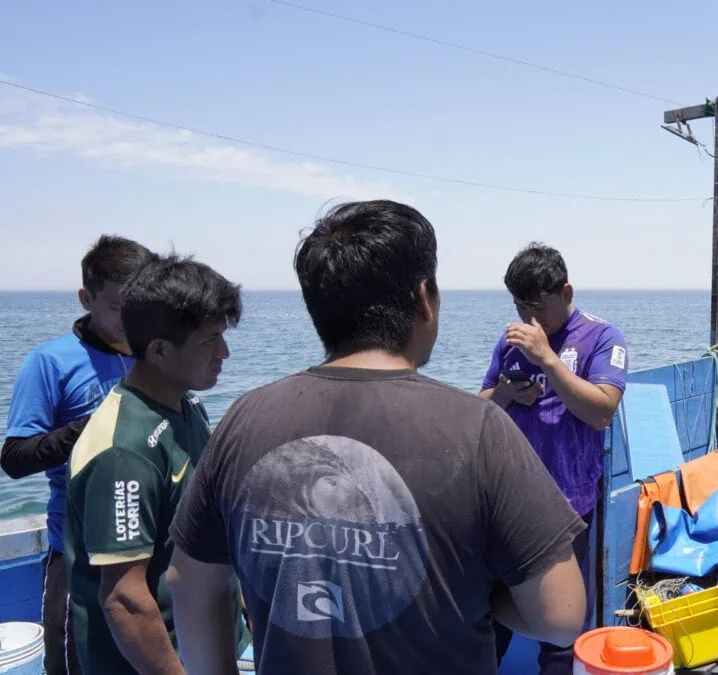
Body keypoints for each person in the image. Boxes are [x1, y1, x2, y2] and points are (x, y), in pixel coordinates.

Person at [165, 200, 586, 675]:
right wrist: (476, 587)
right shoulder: (479, 428)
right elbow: (561, 615)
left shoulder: (245, 418)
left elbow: (189, 584)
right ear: (424, 298)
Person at [64, 254, 246, 675]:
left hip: (205, 647)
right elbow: (125, 599)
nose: (225, 352)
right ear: (160, 350)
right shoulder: (123, 451)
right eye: (210, 340)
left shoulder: (187, 406)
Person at [2, 235, 155, 675]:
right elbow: (15, 458)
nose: (130, 320)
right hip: (78, 553)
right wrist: (91, 428)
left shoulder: (159, 354)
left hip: (154, 546)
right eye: (116, 306)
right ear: (86, 298)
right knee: (75, 664)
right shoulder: (50, 362)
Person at [479, 242, 628, 675]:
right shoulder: (511, 342)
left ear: (566, 292)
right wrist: (507, 392)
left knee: (562, 632)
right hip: (507, 505)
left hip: (567, 509)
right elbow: (482, 409)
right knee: (488, 617)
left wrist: (547, 359)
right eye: (520, 306)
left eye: (538, 306)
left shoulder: (602, 336)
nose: (529, 318)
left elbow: (601, 411)